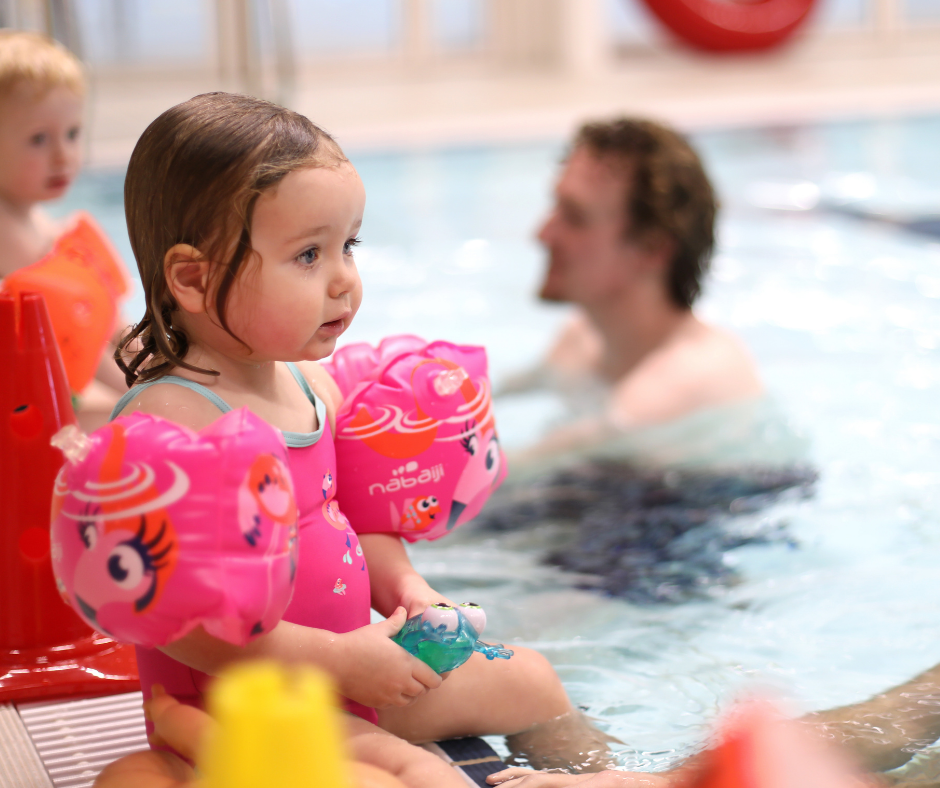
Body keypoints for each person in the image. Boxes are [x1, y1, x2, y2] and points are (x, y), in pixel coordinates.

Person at [107, 92, 611, 788]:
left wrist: (409, 590)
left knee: (534, 681)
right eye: (308, 254)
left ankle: (603, 777)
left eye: (348, 246)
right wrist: (340, 662)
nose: (344, 279)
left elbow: (353, 521)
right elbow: (183, 626)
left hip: (352, 676)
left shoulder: (315, 386)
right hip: (249, 709)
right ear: (194, 278)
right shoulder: (172, 427)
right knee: (415, 779)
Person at [503, 119, 762, 458]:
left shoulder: (688, 377)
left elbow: (510, 473)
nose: (543, 234)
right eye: (556, 208)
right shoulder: (577, 341)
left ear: (652, 249)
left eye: (575, 217)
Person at [0, 29, 130, 430]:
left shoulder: (38, 221)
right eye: (38, 139)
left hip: (67, 374)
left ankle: (153, 377)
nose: (63, 156)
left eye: (72, 134)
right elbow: (62, 323)